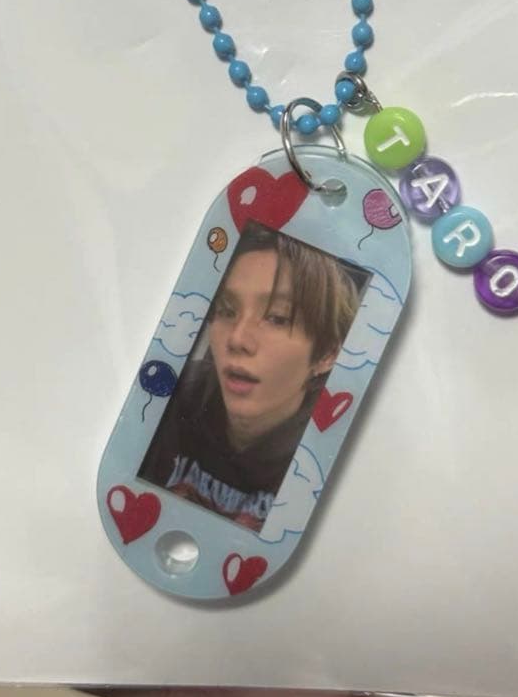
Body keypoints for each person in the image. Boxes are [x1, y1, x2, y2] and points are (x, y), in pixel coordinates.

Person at [139, 222, 359, 533]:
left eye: (277, 318)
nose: (237, 338)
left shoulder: (324, 459)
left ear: (327, 354)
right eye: (227, 310)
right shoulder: (171, 394)